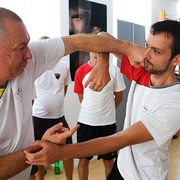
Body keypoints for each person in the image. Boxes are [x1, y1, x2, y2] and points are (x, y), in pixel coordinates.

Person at [0, 7, 145, 180]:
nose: (29, 54)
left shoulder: (29, 61)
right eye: (21, 47)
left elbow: (78, 41)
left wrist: (121, 50)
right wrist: (36, 152)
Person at [24, 20, 180, 180]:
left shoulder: (174, 103)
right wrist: (103, 63)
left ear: (176, 59)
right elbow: (102, 36)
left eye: (156, 51)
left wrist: (62, 152)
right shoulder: (144, 71)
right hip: (122, 167)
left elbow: (123, 138)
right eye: (146, 46)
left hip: (144, 176)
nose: (146, 55)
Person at [74, 51, 126, 179]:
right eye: (94, 49)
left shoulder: (114, 70)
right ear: (89, 50)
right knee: (84, 160)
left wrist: (108, 111)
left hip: (107, 124)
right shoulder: (81, 71)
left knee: (108, 161)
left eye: (101, 50)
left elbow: (119, 96)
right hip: (85, 123)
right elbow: (81, 97)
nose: (97, 53)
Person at [33, 37, 74, 179]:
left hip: (59, 118)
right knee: (38, 154)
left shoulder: (63, 66)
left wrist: (55, 102)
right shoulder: (34, 66)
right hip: (38, 118)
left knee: (68, 151)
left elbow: (65, 87)